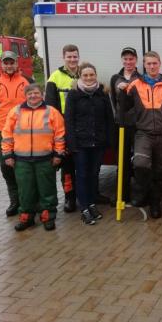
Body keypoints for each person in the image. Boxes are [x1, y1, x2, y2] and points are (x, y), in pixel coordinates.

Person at [119, 51, 162, 219]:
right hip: (143, 134)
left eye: (155, 63)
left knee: (160, 172)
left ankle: (155, 204)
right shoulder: (135, 84)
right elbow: (125, 106)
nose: (152, 66)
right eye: (149, 63)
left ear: (160, 64)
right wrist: (120, 89)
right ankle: (141, 192)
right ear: (144, 65)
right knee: (140, 163)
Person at [1, 84, 66, 232]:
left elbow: (60, 135)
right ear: (26, 95)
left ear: (42, 94)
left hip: (45, 159)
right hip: (21, 160)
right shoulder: (15, 112)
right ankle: (26, 217)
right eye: (30, 93)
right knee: (25, 190)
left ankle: (48, 217)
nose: (33, 96)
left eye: (36, 93)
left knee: (47, 189)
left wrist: (58, 154)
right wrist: (8, 154)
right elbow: (7, 134)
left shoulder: (52, 112)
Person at [64, 62, 114, 226]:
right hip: (80, 144)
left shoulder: (102, 93)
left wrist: (108, 139)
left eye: (91, 75)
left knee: (94, 174)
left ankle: (92, 204)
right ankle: (84, 208)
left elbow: (109, 118)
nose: (88, 78)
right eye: (85, 75)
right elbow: (69, 121)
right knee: (82, 175)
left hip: (98, 143)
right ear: (80, 76)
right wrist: (71, 144)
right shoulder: (73, 95)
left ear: (96, 76)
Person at [0, 51, 30, 217]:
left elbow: (37, 104)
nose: (9, 66)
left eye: (12, 62)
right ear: (1, 65)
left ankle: (28, 202)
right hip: (2, 130)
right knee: (6, 165)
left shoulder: (27, 81)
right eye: (6, 63)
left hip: (24, 129)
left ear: (17, 63)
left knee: (24, 166)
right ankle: (14, 201)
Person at [44, 44, 80, 213]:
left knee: (84, 165)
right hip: (64, 129)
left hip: (81, 128)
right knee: (67, 168)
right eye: (69, 57)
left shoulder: (84, 74)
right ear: (63, 57)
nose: (72, 60)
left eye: (75, 56)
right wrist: (59, 135)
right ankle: (69, 198)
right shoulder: (54, 78)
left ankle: (91, 194)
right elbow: (51, 109)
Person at [110, 47, 141, 205]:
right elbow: (113, 101)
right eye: (126, 59)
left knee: (139, 162)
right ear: (122, 60)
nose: (128, 62)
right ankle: (121, 195)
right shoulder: (115, 78)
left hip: (137, 126)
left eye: (131, 59)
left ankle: (141, 195)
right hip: (120, 126)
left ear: (136, 60)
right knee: (121, 162)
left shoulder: (141, 78)